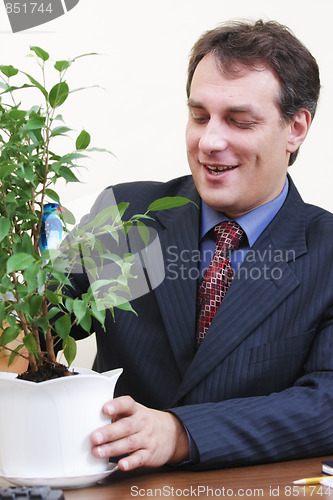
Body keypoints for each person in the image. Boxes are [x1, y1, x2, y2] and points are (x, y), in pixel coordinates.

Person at [68, 19, 333, 471]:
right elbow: (34, 325)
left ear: (296, 129)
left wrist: (181, 432)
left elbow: (326, 402)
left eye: (239, 121)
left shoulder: (327, 252)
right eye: (199, 116)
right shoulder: (128, 214)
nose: (209, 141)